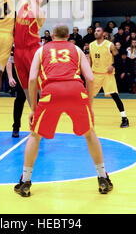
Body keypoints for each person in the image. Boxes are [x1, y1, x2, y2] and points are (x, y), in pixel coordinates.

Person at [14, 24, 113, 197]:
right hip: (76, 90)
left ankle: (26, 182)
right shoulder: (76, 49)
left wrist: (33, 108)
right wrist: (88, 103)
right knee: (90, 133)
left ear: (52, 35)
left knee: (35, 136)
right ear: (68, 36)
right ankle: (102, 177)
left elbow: (31, 79)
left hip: (51, 92)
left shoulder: (41, 50)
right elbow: (89, 78)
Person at [9, 0, 48, 137]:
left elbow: (34, 12)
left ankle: (42, 119)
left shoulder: (40, 12)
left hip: (33, 52)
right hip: (19, 52)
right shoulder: (24, 2)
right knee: (25, 89)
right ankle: (35, 118)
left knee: (37, 87)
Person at [88, 27, 129, 127]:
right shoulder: (91, 45)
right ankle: (87, 118)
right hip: (95, 74)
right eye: (95, 31)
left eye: (98, 31)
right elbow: (90, 59)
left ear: (103, 33)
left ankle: (124, 118)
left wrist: (113, 65)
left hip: (107, 74)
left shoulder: (109, 45)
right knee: (88, 97)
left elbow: (119, 58)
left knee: (115, 96)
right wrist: (88, 71)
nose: (96, 32)